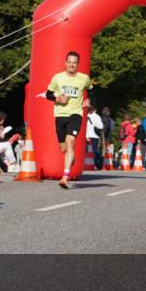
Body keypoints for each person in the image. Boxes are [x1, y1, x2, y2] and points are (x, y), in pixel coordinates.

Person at [45, 51, 92, 189]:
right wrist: (57, 98)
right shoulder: (57, 78)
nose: (72, 65)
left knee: (70, 142)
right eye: (69, 62)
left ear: (78, 64)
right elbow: (48, 94)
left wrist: (89, 100)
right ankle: (71, 158)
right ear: (65, 63)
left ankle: (65, 177)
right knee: (63, 148)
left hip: (76, 115)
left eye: (74, 63)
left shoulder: (84, 78)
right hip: (60, 115)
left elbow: (92, 89)